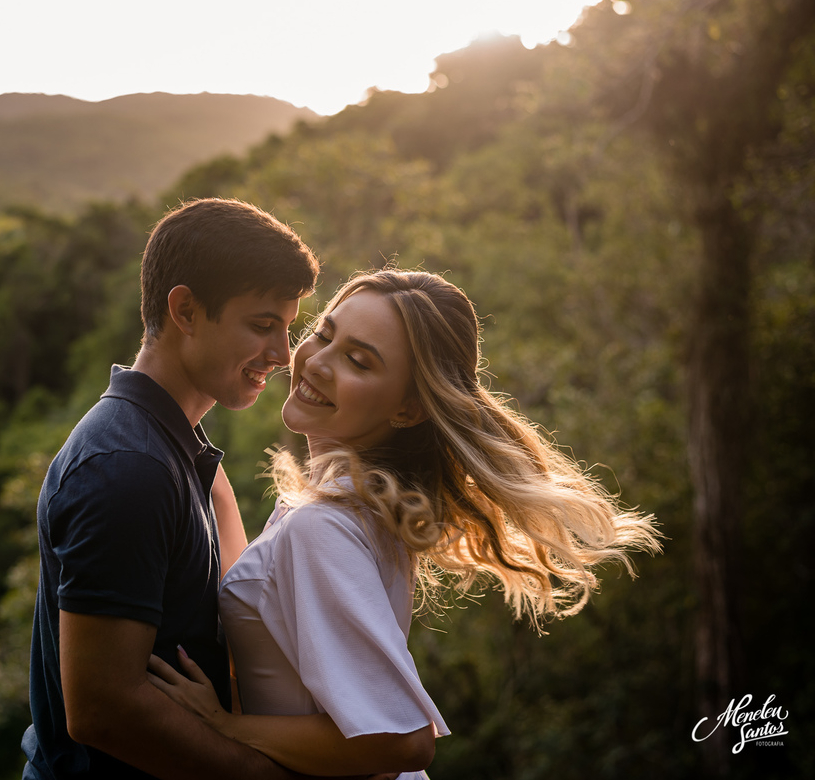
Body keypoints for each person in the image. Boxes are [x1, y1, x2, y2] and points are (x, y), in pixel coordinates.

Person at [148, 269, 663, 779]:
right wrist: (201, 471)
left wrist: (225, 727)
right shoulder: (349, 509)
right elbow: (271, 606)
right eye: (324, 335)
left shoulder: (323, 526)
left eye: (358, 360)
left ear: (408, 408)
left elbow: (400, 741)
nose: (317, 362)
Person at [21, 198, 330, 780]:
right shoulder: (127, 469)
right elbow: (103, 710)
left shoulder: (176, 447)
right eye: (263, 326)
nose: (282, 355)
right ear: (185, 310)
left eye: (287, 330)